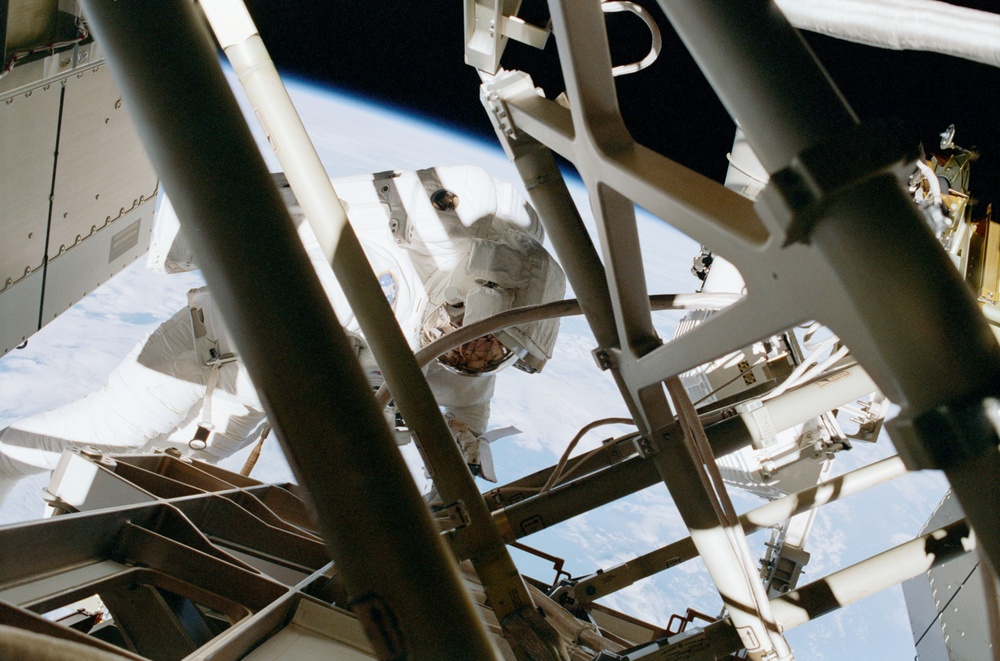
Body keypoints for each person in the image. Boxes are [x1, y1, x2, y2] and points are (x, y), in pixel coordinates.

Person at [0, 165, 565, 504]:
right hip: (201, 353)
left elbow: (463, 445)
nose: (467, 354)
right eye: (469, 336)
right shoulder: (389, 250)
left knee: (164, 476)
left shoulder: (467, 378)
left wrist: (446, 500)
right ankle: (5, 457)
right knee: (114, 436)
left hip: (251, 399)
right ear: (460, 296)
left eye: (485, 355)